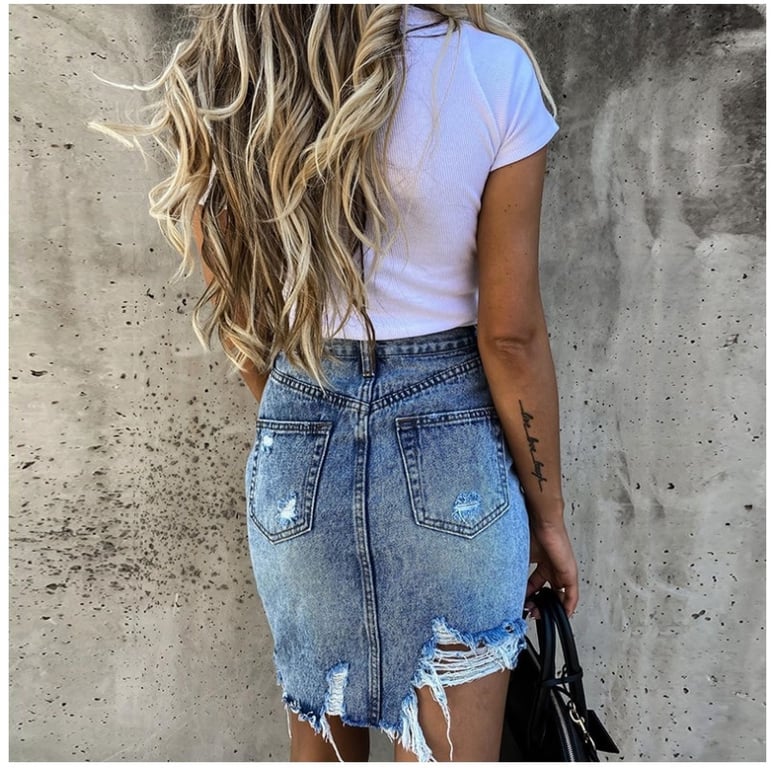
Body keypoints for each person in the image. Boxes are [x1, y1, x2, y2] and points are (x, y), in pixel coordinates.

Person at [94, 4, 579, 762]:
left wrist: (296, 415)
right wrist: (549, 518)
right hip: (452, 452)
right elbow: (509, 337)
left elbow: (237, 304)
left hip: (300, 430)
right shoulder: (491, 69)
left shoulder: (237, 65)